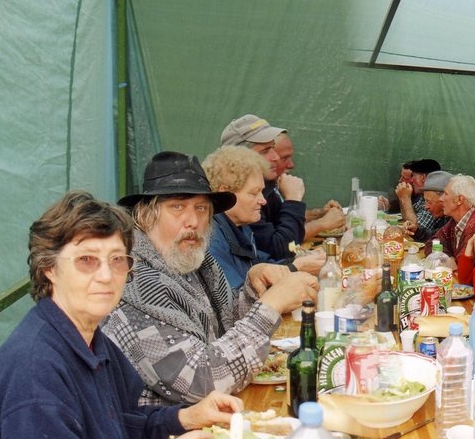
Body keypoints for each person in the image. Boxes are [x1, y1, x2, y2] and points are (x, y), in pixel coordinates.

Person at [0, 191, 244, 439]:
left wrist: (184, 417)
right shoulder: (35, 374)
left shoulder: (90, 336)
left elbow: (119, 426)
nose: (106, 275)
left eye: (117, 260)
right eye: (87, 260)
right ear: (49, 268)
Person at [102, 151, 318, 406]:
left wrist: (253, 287)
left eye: (202, 208)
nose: (193, 221)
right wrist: (272, 305)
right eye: (177, 207)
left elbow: (225, 328)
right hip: (166, 438)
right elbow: (202, 382)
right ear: (145, 216)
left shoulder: (197, 261)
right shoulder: (135, 281)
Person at [202, 145, 325, 290]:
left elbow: (262, 265)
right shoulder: (209, 240)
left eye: (261, 191)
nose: (263, 200)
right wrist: (295, 268)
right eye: (253, 193)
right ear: (225, 194)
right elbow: (236, 299)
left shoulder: (241, 228)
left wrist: (298, 261)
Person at [221, 114, 307, 258]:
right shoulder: (239, 196)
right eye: (265, 151)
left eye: (273, 148)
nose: (276, 157)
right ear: (239, 156)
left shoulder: (267, 187)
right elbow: (280, 248)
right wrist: (293, 201)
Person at [272, 132, 345, 238]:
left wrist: (319, 213)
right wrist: (322, 223)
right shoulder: (258, 194)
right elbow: (282, 242)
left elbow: (281, 219)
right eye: (284, 158)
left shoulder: (270, 187)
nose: (291, 165)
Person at [423, 174, 475, 261]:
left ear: (459, 200)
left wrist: (448, 260)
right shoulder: (455, 221)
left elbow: (465, 264)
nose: (441, 199)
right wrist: (449, 258)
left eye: (445, 194)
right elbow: (432, 243)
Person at [395, 159, 449, 242]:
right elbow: (433, 236)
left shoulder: (453, 218)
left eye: (413, 176)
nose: (411, 180)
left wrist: (405, 199)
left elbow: (414, 224)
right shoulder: (424, 196)